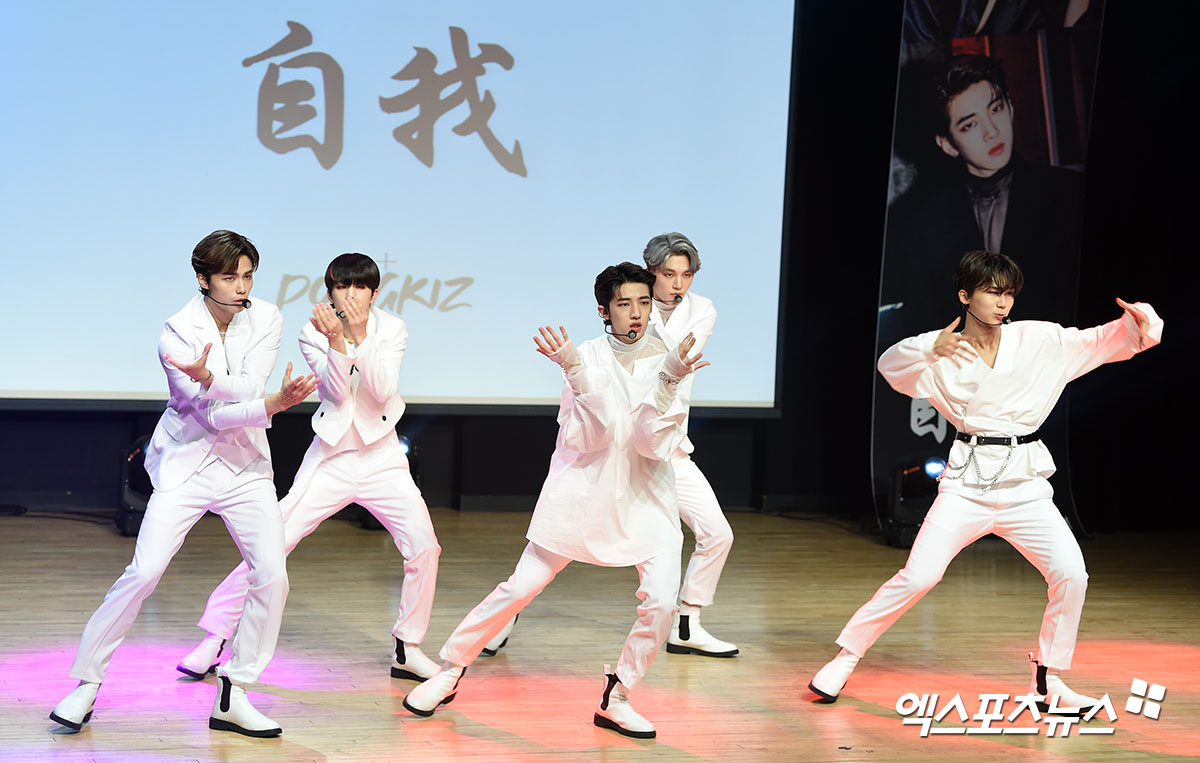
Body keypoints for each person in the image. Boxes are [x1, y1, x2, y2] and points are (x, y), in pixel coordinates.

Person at [810, 250, 1163, 714]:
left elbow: (1101, 340)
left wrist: (1140, 321)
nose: (1003, 303)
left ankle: (1049, 680)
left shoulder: (1039, 339)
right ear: (965, 296)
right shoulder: (941, 352)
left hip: (1025, 486)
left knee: (1071, 573)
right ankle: (845, 657)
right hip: (966, 485)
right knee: (920, 575)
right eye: (993, 293)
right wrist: (929, 347)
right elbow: (890, 367)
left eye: (1009, 294)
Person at [402, 262, 707, 739]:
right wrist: (576, 371)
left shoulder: (675, 359)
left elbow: (653, 445)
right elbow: (592, 437)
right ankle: (450, 669)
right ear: (604, 310)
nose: (636, 313)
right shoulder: (584, 356)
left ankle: (618, 695)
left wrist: (669, 380)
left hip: (648, 497)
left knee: (663, 601)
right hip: (582, 494)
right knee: (519, 589)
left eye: (644, 302)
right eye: (624, 303)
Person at [50, 230, 318, 737]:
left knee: (272, 575)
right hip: (186, 462)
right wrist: (270, 404)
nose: (242, 287)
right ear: (203, 279)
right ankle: (86, 684)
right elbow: (211, 415)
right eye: (230, 277)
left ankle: (235, 692)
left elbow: (251, 385)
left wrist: (224, 384)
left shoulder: (267, 316)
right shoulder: (175, 332)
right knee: (144, 572)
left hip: (245, 466)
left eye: (248, 276)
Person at [174, 253, 442, 687]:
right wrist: (337, 341)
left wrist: (359, 336)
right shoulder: (312, 330)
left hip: (383, 457)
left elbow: (382, 390)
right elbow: (336, 393)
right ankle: (215, 637)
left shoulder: (392, 328)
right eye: (341, 286)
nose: (350, 295)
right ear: (330, 292)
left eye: (359, 287)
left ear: (374, 293)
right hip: (332, 456)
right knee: (271, 544)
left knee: (425, 547)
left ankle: (407, 648)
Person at [642, 232, 737, 657]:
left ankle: (687, 624)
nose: (678, 284)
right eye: (669, 275)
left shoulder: (702, 309)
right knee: (569, 543)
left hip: (671, 445)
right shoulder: (631, 301)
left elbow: (678, 355)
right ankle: (506, 614)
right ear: (652, 272)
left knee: (717, 534)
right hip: (625, 446)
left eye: (686, 275)